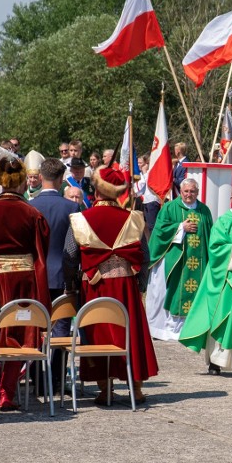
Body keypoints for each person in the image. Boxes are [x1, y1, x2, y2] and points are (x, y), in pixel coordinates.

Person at [63, 166, 158, 404]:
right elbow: (144, 256)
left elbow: (70, 256)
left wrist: (71, 286)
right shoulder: (134, 219)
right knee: (130, 333)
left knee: (98, 334)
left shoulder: (80, 219)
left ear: (96, 190)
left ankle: (105, 390)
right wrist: (140, 284)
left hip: (93, 286)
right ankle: (135, 390)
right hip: (126, 286)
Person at [0, 157, 50, 411]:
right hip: (23, 283)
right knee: (16, 333)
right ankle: (7, 393)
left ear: (0, 181)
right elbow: (40, 252)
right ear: (23, 180)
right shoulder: (32, 213)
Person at [180, 182, 232, 378]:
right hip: (228, 279)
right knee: (222, 318)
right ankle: (216, 363)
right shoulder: (224, 221)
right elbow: (216, 249)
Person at [29, 158, 81, 387]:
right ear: (61, 180)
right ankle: (58, 380)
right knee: (60, 330)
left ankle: (37, 378)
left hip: (34, 276)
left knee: (33, 327)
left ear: (40, 177)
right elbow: (73, 247)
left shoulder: (29, 206)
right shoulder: (71, 207)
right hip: (61, 275)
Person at [146, 178, 213, 341]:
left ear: (197, 192)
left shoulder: (204, 210)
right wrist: (180, 227)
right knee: (175, 291)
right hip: (176, 260)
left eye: (192, 191)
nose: (189, 195)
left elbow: (210, 233)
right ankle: (171, 330)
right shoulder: (170, 207)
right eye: (186, 191)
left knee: (196, 293)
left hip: (199, 260)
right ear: (181, 192)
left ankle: (193, 328)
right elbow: (160, 231)